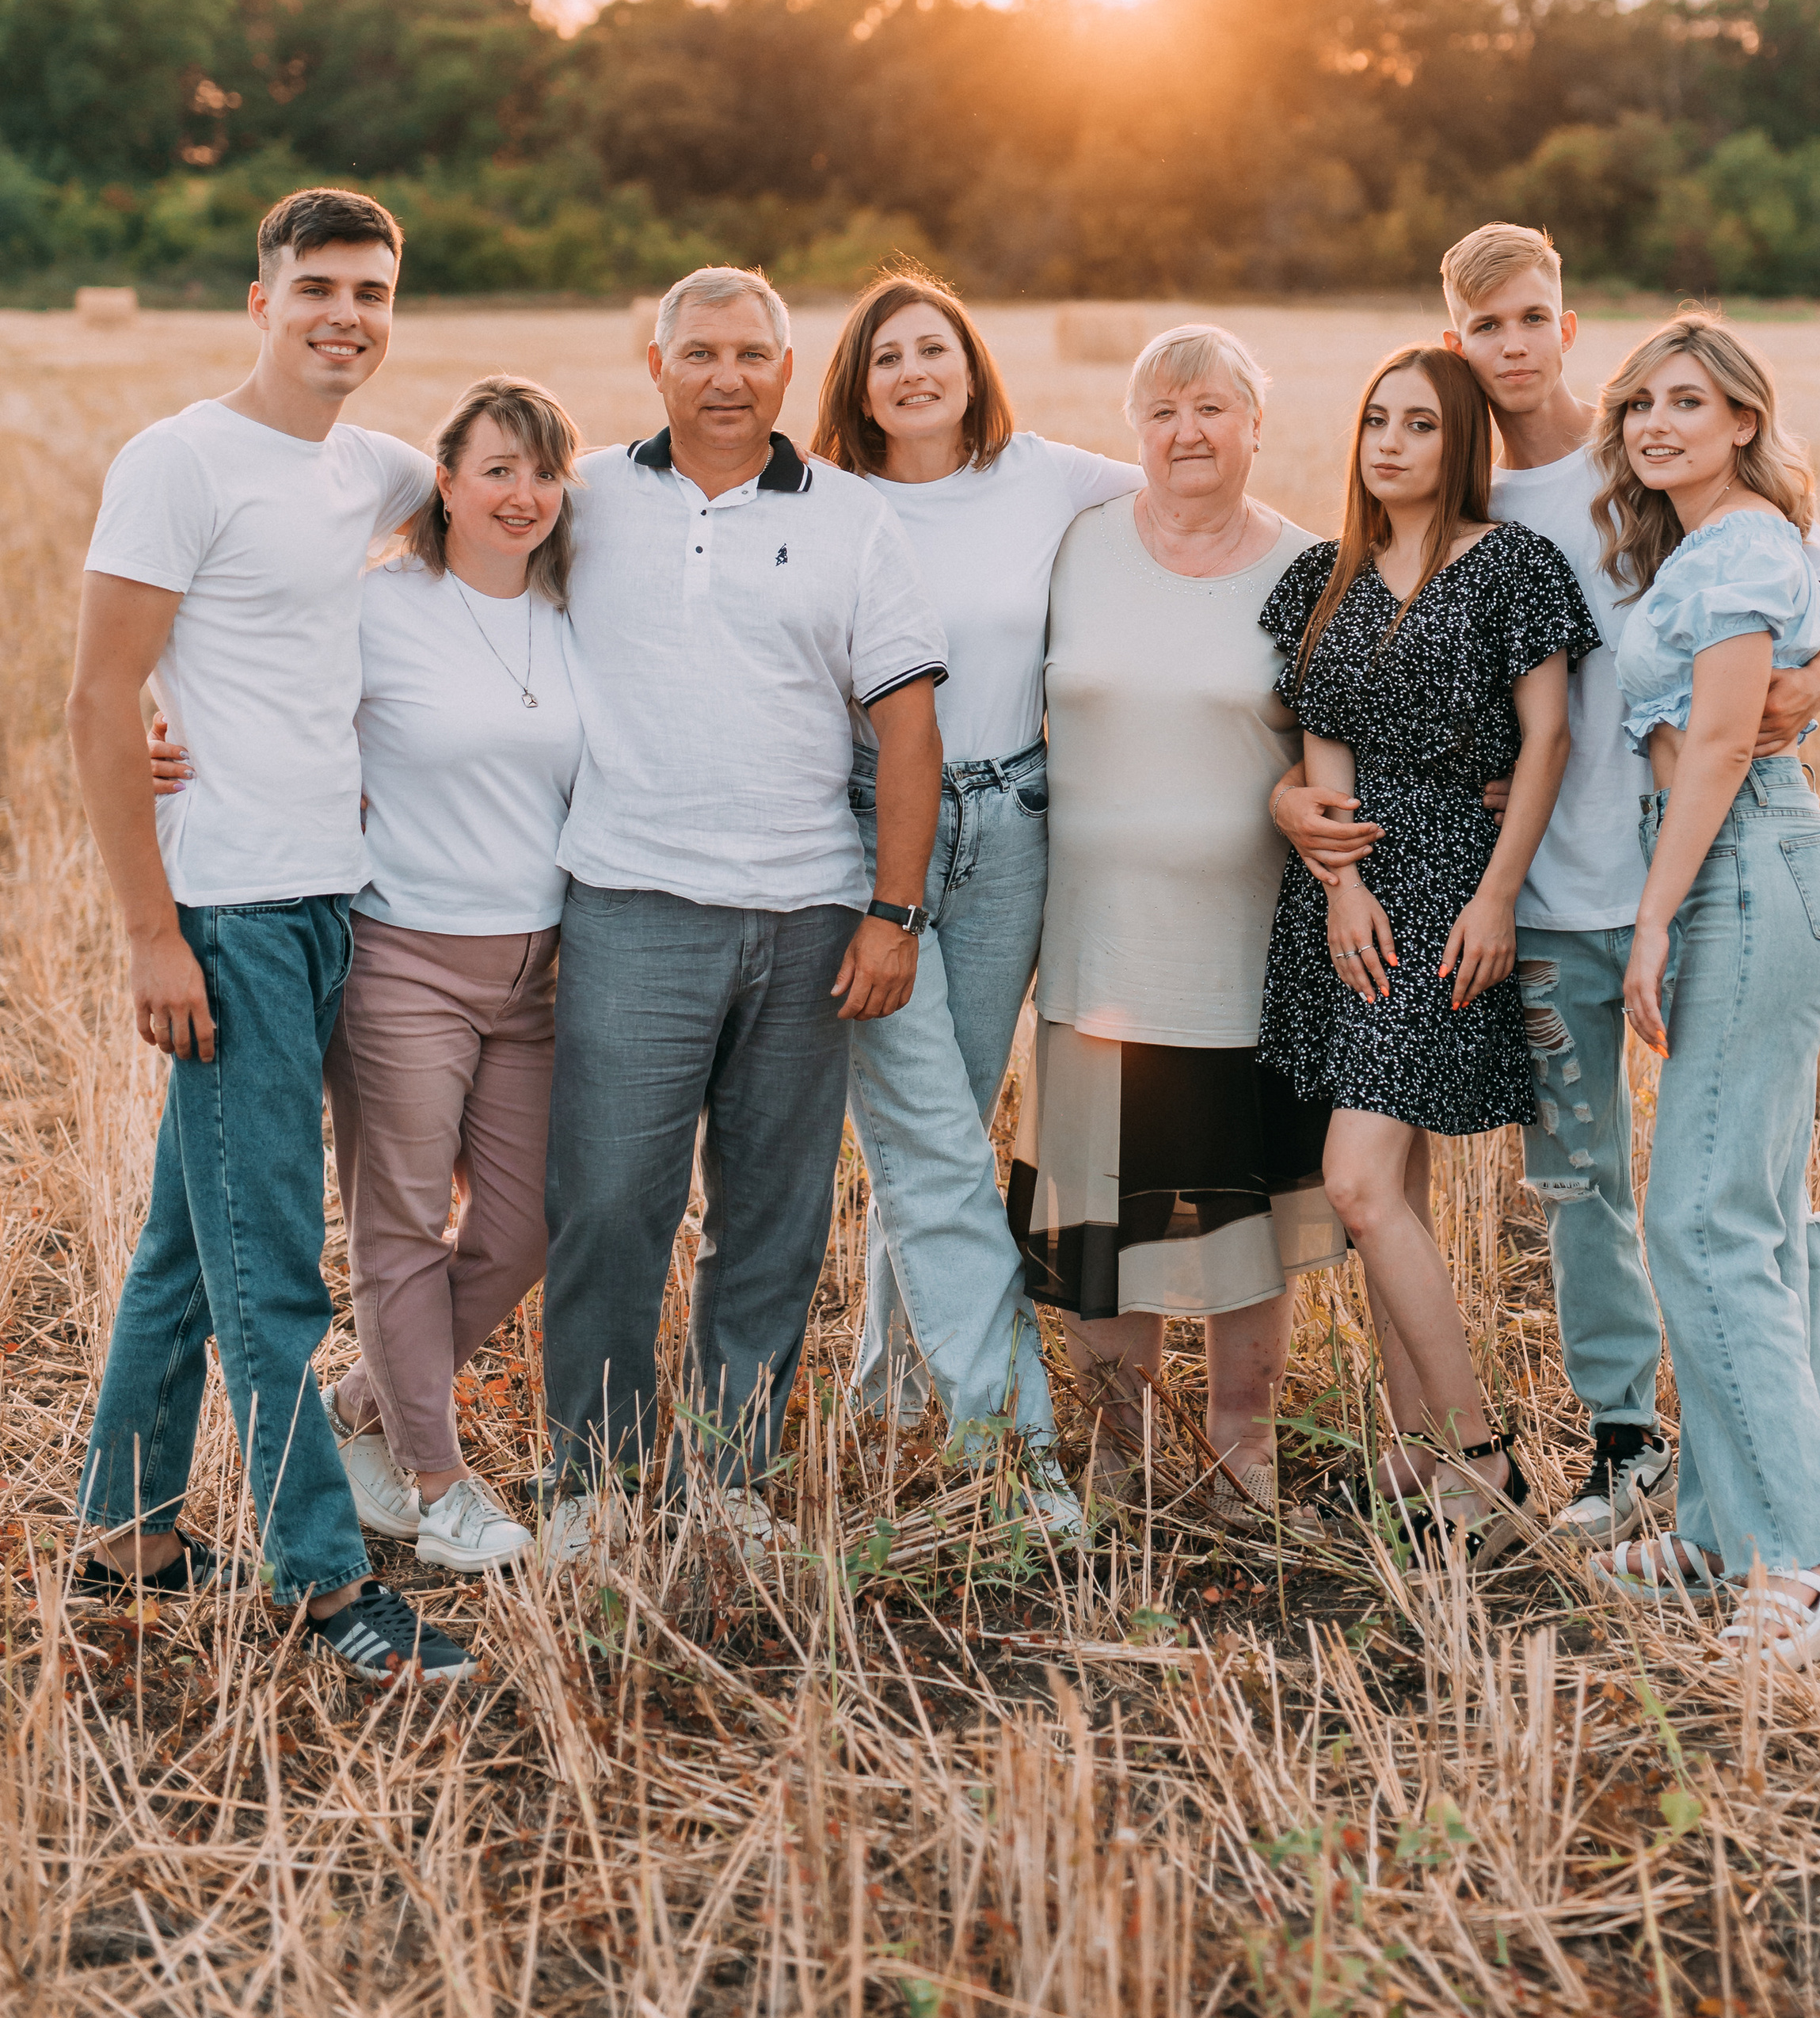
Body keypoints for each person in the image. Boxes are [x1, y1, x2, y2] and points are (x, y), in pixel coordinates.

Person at [1272, 219, 1820, 1548]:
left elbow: (1815, 565)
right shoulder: (1471, 501)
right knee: (1582, 1180)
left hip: (1691, 874)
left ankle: (1809, 1432)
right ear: (1456, 340)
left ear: (1567, 326)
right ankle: (1627, 1441)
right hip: (1545, 896)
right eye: (1484, 327)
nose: (1510, 346)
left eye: (1531, 318)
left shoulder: (1641, 453)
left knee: (1749, 1174)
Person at [66, 188, 473, 1685]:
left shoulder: (372, 468)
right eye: (316, 288)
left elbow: (507, 498)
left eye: (371, 291)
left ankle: (128, 1535)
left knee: (194, 1240)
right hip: (226, 914)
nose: (345, 316)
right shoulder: (179, 462)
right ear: (259, 299)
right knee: (270, 1274)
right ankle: (322, 1584)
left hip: (328, 899)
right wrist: (146, 932)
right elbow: (100, 699)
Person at [539, 265, 946, 1555]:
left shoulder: (853, 518)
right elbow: (435, 583)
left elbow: (908, 725)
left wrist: (894, 911)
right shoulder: (584, 497)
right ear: (652, 361)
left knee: (771, 1214)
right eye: (700, 352)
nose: (727, 377)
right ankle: (590, 1480)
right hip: (632, 900)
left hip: (813, 915)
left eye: (753, 355)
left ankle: (727, 1478)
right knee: (608, 1202)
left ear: (787, 367)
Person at [154, 378, 588, 1572]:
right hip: (404, 955)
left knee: (525, 1225)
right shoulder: (378, 610)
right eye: (495, 468)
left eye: (544, 471)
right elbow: (252, 689)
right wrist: (159, 724)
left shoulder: (574, 610)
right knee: (400, 1225)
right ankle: (435, 1487)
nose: (522, 493)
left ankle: (360, 1413)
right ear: (440, 483)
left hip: (541, 968)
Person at [1588, 313, 1820, 1666]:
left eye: (1691, 403)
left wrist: (1651, 928)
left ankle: (1812, 1558)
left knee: (1705, 1221)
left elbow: (1715, 745)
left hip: (1744, 867)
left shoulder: (1747, 547)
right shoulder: (1713, 548)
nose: (1659, 424)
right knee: (1744, 1213)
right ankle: (1721, 1525)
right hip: (1749, 864)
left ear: (1745, 423)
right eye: (1644, 403)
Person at [810, 274, 1140, 1521]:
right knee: (935, 1143)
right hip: (866, 833)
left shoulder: (1045, 475)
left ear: (970, 362)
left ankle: (891, 1392)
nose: (912, 371)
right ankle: (1011, 1446)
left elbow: (1204, 508)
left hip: (1015, 824)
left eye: (932, 348)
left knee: (945, 1117)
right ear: (858, 380)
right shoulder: (824, 501)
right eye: (886, 354)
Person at [1258, 343, 1593, 1558]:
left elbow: (1546, 740)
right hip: (1352, 900)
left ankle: (1483, 1458)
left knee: (1357, 1180)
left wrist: (1498, 896)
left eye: (1418, 425)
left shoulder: (1514, 565)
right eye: (1374, 422)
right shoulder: (1325, 573)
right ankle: (1413, 1457)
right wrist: (1336, 883)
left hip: (1458, 881)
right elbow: (1322, 731)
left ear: (1461, 442)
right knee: (1389, 1192)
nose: (1390, 444)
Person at [1008, 325, 1345, 1526]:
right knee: (1108, 1211)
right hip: (1098, 943)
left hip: (1251, 944)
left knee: (1245, 1211)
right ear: (1134, 430)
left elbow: (1339, 756)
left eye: (1212, 408)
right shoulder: (1078, 549)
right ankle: (1118, 1456)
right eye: (1161, 412)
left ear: (1258, 423)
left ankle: (1241, 1447)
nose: (1187, 432)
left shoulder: (1313, 569)